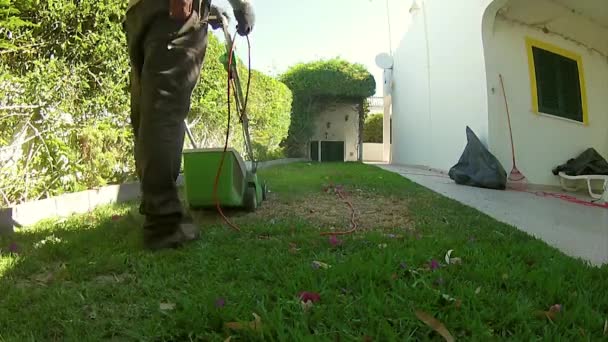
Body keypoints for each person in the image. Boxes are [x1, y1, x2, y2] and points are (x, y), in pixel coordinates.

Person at [124, 0, 255, 250]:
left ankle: (153, 202)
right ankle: (164, 223)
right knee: (165, 108)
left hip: (139, 11)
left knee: (147, 111)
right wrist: (243, 6)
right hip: (174, 7)